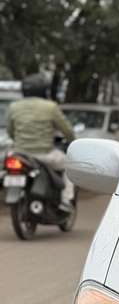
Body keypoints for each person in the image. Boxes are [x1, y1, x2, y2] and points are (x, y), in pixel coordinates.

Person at [7, 74, 75, 210]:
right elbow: (67, 130)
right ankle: (66, 199)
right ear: (43, 90)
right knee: (70, 165)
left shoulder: (13, 107)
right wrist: (73, 141)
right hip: (45, 155)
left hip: (20, 154)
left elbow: (10, 131)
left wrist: (19, 142)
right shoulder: (50, 107)